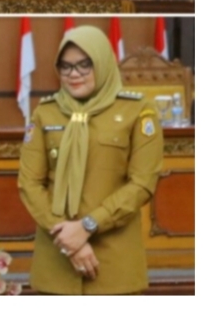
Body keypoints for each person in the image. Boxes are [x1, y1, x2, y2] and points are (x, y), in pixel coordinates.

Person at [18, 25, 163, 295]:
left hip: (113, 263)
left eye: (85, 65)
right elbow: (29, 183)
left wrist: (88, 226)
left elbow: (142, 183)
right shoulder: (45, 113)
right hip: (56, 262)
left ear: (102, 62)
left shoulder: (137, 110)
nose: (74, 74)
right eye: (66, 66)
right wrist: (68, 239)